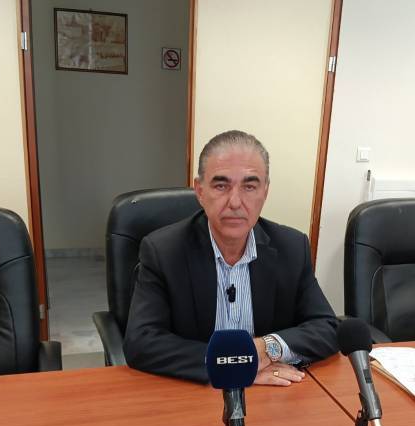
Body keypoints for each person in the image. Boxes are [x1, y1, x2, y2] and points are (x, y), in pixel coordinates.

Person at [123, 130, 338, 385]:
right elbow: (141, 342)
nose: (235, 202)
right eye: (221, 186)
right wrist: (233, 365)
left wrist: (267, 348)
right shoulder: (163, 251)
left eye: (249, 186)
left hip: (271, 392)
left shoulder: (291, 248)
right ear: (200, 191)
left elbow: (326, 327)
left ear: (265, 191)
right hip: (197, 391)